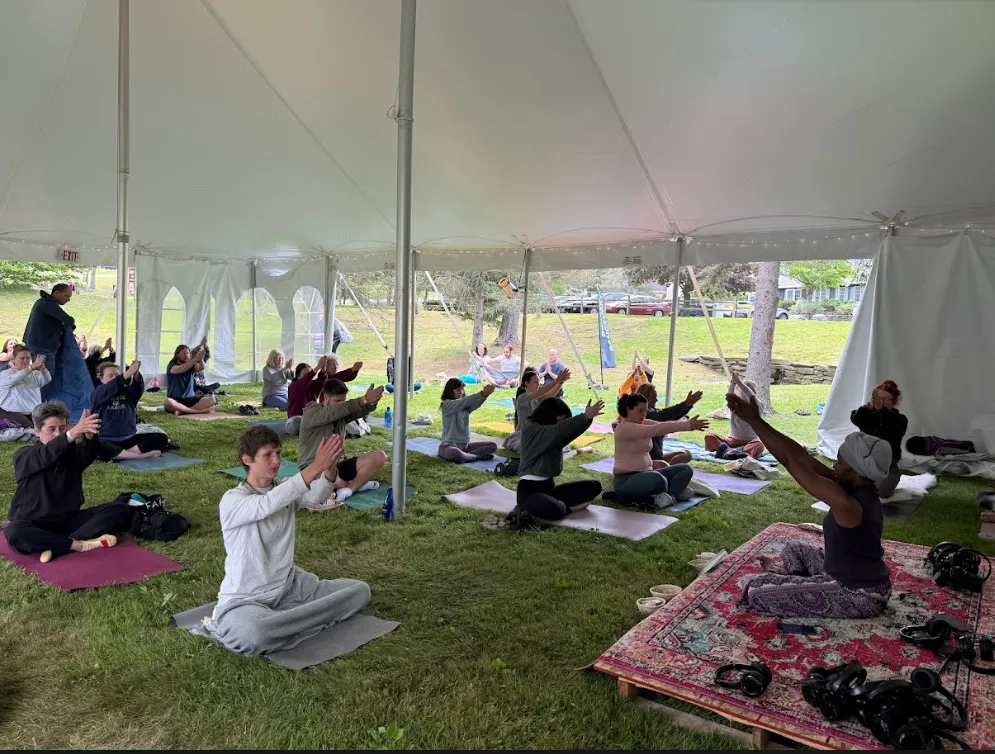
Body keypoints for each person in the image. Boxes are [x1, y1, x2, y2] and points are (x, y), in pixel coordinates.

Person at [727, 376, 892, 619]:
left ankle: (792, 580)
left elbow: (790, 460)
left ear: (856, 470)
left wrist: (753, 420)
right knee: (794, 547)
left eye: (840, 461)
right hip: (858, 580)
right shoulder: (854, 485)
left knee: (754, 589)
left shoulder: (847, 504)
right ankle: (794, 578)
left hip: (859, 595)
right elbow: (799, 454)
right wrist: (756, 420)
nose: (834, 464)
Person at [203, 428, 372, 656]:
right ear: (247, 460)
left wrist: (329, 470)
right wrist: (314, 467)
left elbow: (316, 496)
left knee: (360, 591)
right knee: (255, 633)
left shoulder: (283, 489)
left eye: (279, 453)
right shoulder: (233, 500)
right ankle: (292, 620)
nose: (276, 460)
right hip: (245, 600)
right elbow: (267, 504)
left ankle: (286, 621)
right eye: (268, 454)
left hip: (291, 587)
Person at [3, 402, 131, 563]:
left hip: (68, 521)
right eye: (51, 429)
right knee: (14, 532)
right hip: (34, 524)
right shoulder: (24, 456)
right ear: (37, 431)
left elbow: (88, 453)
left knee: (119, 508)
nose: (58, 434)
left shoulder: (69, 453)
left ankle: (62, 543)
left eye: (62, 429)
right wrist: (74, 431)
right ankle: (78, 545)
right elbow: (46, 454)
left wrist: (89, 436)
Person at [298, 380, 387, 508]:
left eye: (343, 401)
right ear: (326, 398)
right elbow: (333, 412)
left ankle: (348, 489)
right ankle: (354, 484)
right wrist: (362, 400)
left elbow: (359, 411)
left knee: (380, 457)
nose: (341, 405)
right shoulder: (312, 412)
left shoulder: (339, 413)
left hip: (337, 466)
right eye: (338, 401)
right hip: (314, 468)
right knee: (332, 478)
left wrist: (371, 402)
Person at [515, 397, 605, 521]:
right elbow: (560, 429)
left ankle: (554, 503)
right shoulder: (532, 429)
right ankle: (566, 508)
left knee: (594, 486)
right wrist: (584, 416)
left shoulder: (551, 434)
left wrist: (588, 418)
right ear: (549, 416)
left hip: (549, 489)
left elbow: (570, 432)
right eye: (560, 420)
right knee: (555, 510)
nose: (561, 423)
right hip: (529, 491)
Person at [611, 393, 708, 507]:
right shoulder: (624, 428)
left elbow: (663, 425)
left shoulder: (643, 423)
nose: (644, 414)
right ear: (628, 409)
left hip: (647, 473)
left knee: (685, 469)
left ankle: (671, 496)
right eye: (640, 410)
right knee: (658, 478)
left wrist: (687, 425)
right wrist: (688, 425)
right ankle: (672, 492)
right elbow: (656, 429)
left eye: (645, 411)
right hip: (626, 480)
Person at [92, 360, 170, 461]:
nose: (115, 378)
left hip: (128, 438)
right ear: (101, 379)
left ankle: (120, 454)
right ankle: (139, 456)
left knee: (162, 439)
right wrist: (127, 373)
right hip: (106, 439)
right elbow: (109, 388)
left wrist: (136, 374)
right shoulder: (97, 392)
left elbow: (138, 389)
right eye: (110, 376)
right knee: (94, 445)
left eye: (117, 375)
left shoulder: (127, 391)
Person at [850, 380, 908, 498]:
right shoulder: (867, 415)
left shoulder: (900, 419)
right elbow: (855, 418)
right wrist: (868, 406)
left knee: (881, 491)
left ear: (894, 402)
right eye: (879, 398)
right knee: (847, 485)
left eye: (886, 399)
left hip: (886, 467)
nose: (881, 401)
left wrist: (882, 409)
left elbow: (894, 425)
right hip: (864, 464)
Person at [504, 367, 572, 453]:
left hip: (536, 432)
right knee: (526, 447)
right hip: (523, 434)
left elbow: (551, 394)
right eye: (535, 382)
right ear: (526, 383)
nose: (538, 385)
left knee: (557, 444)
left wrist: (560, 382)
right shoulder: (522, 397)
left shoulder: (537, 397)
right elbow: (542, 391)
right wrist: (557, 380)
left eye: (539, 382)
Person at [634, 383, 701, 466]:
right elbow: (663, 415)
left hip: (658, 457)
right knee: (664, 465)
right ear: (643, 399)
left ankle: (666, 470)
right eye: (653, 398)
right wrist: (685, 404)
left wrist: (688, 405)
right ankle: (665, 470)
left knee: (686, 454)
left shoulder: (653, 412)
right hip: (644, 461)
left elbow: (670, 417)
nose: (656, 400)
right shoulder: (644, 415)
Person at [438, 378, 498, 463]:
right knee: (453, 452)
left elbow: (476, 403)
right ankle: (473, 456)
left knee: (492, 446)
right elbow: (464, 402)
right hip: (448, 446)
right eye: (458, 389)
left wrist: (485, 395)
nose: (461, 391)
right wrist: (482, 393)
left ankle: (468, 456)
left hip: (464, 446)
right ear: (450, 391)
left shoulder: (464, 406)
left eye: (462, 388)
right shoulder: (446, 404)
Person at [704, 377, 765, 458]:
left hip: (750, 442)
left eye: (748, 391)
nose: (744, 394)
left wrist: (740, 383)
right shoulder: (734, 405)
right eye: (742, 391)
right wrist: (733, 384)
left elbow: (750, 395)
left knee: (758, 445)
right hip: (732, 441)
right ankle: (730, 452)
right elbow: (729, 395)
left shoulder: (758, 405)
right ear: (738, 392)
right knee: (709, 436)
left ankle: (736, 452)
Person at [0, 346, 51, 429]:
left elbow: (47, 379)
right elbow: (16, 378)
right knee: (32, 429)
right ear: (13, 359)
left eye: (28, 358)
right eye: (22, 358)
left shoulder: (34, 373)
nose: (26, 360)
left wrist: (43, 368)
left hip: (34, 412)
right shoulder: (5, 374)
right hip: (11, 412)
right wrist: (31, 367)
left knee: (49, 425)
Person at [22, 284, 75, 362]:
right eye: (66, 296)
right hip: (42, 348)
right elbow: (69, 320)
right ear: (57, 293)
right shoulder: (47, 304)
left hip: (38, 346)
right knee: (45, 374)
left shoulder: (43, 302)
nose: (68, 299)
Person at [164, 344, 217, 415]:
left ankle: (182, 411)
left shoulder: (192, 365)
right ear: (177, 355)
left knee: (212, 399)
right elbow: (181, 369)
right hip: (176, 400)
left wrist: (201, 359)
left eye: (188, 353)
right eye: (184, 353)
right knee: (168, 402)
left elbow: (201, 367)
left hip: (191, 399)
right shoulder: (171, 365)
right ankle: (197, 411)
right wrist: (195, 359)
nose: (186, 355)